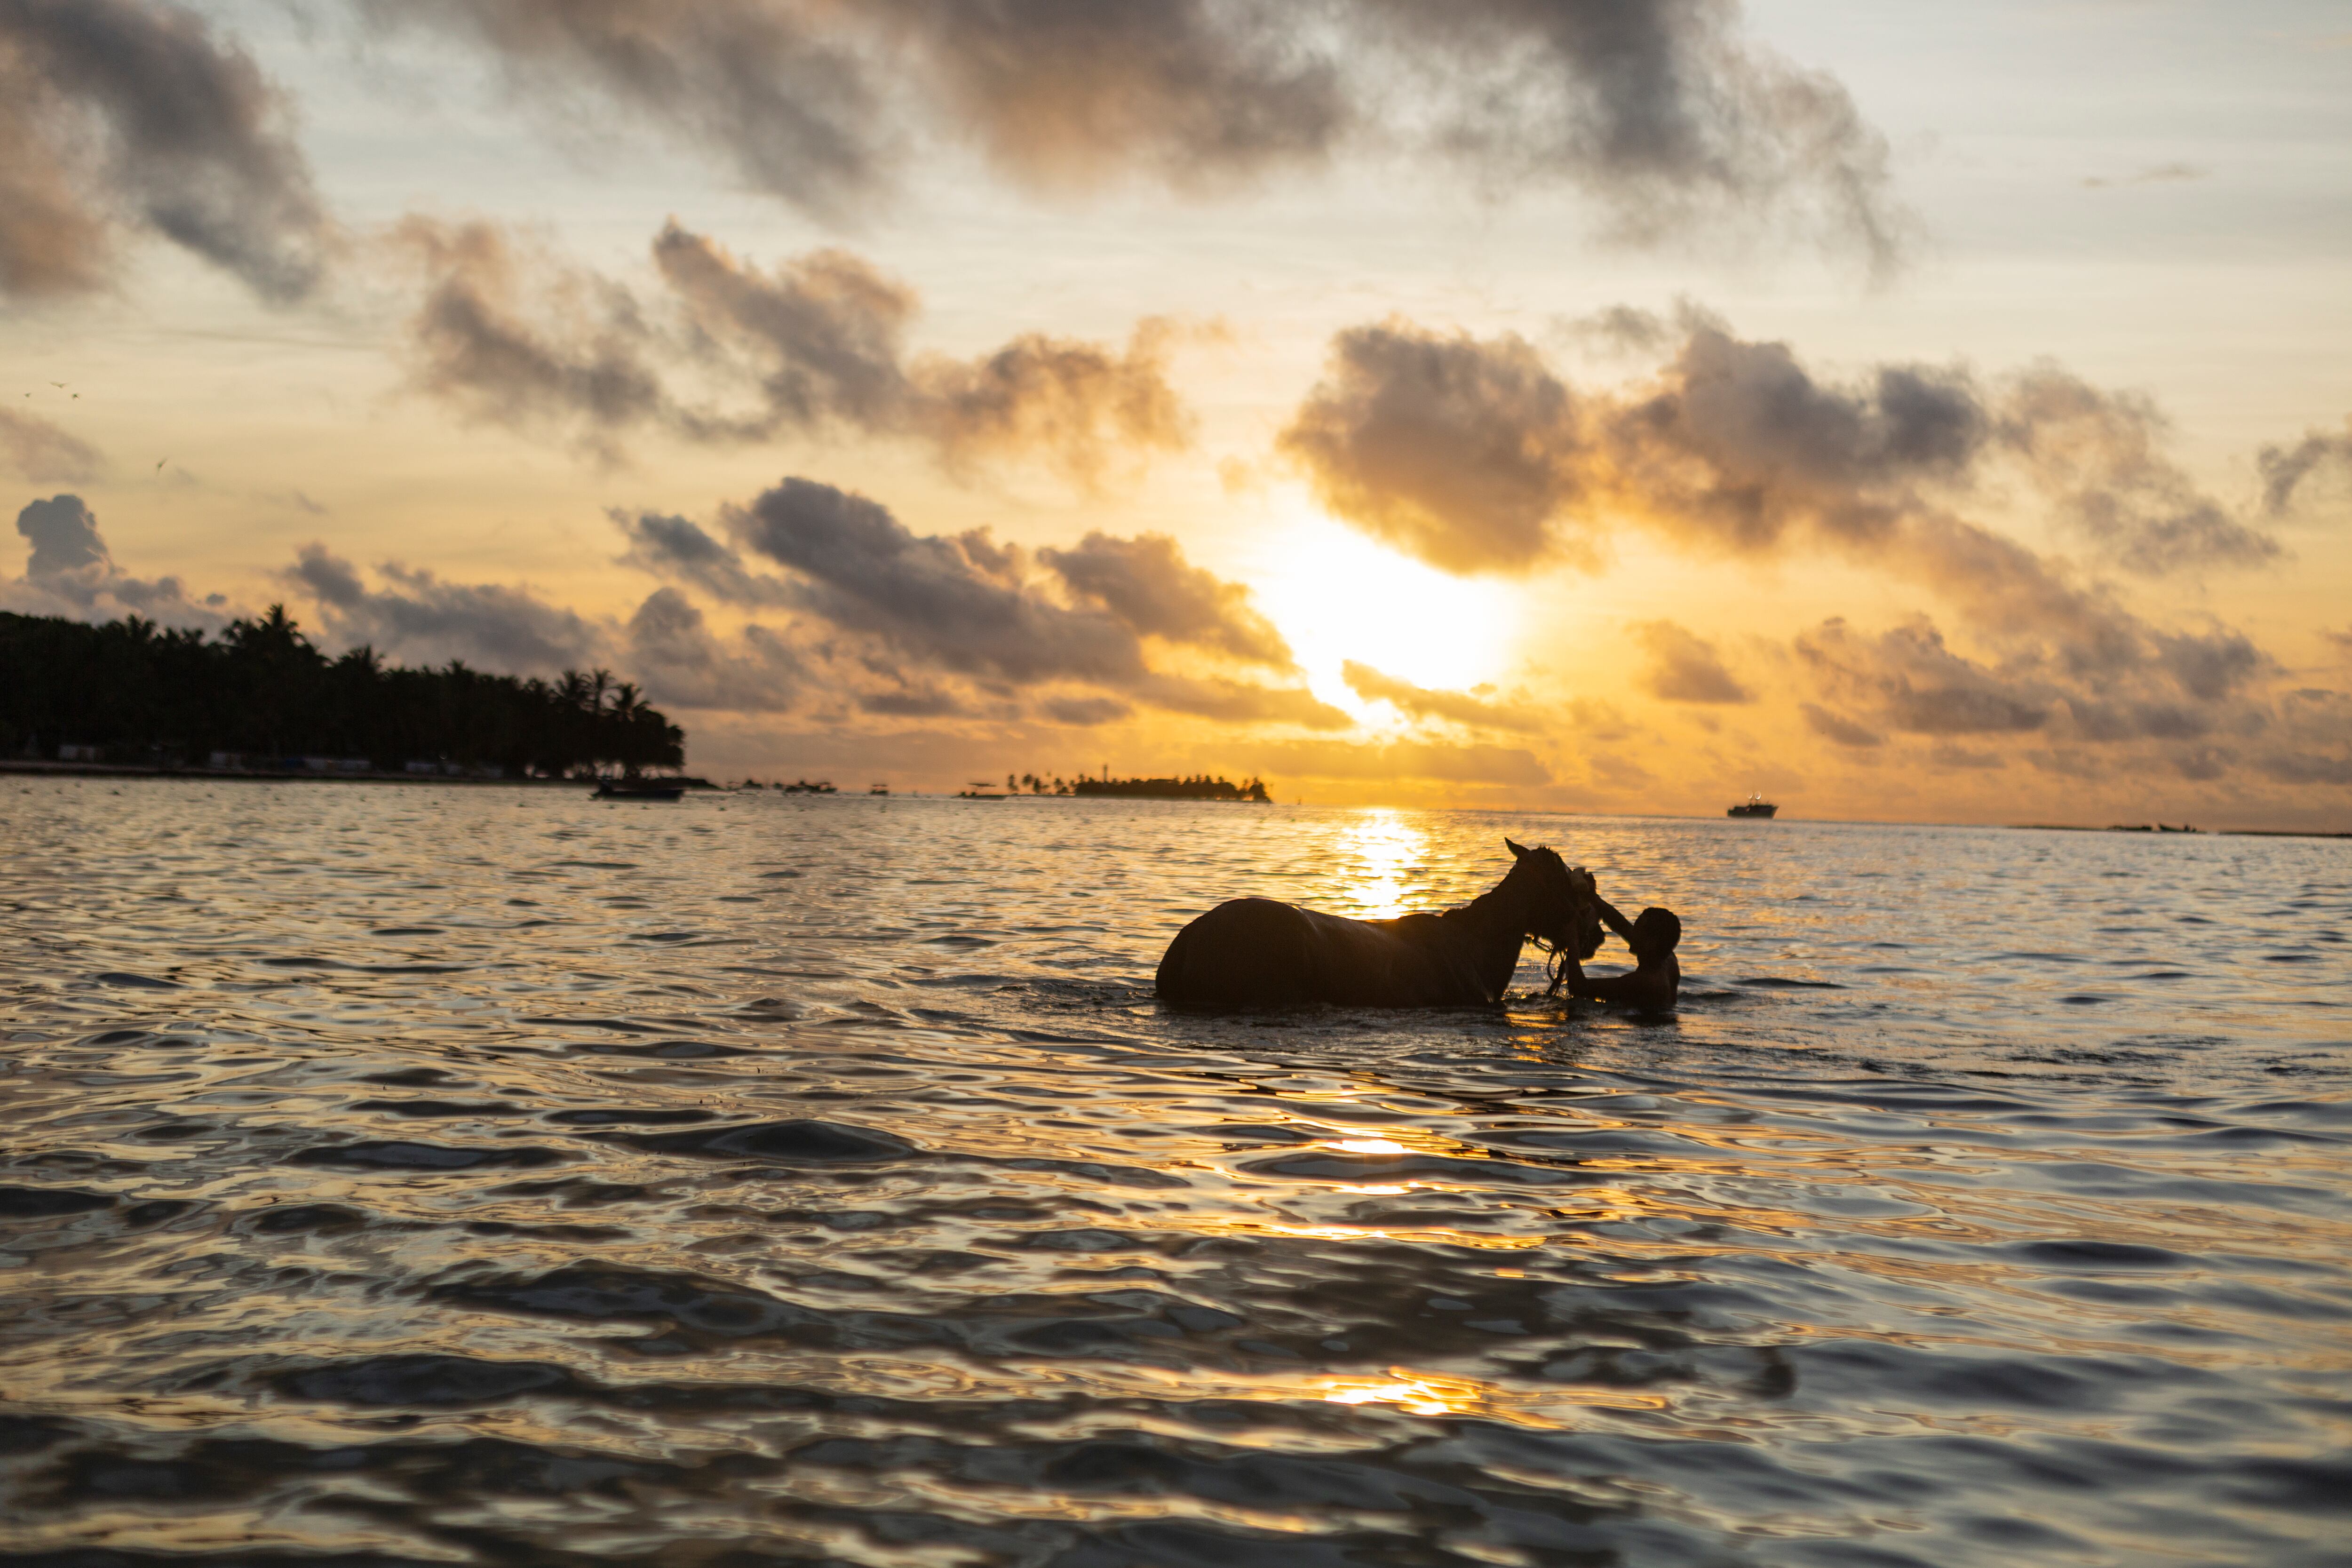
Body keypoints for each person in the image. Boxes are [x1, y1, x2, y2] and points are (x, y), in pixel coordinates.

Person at [1562, 878, 1681, 1010]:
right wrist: (1593, 898)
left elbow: (1579, 988)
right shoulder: (1668, 959)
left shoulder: (1645, 981)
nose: (1631, 932)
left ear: (1651, 943)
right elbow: (1621, 925)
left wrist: (1572, 940)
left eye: (1637, 930)